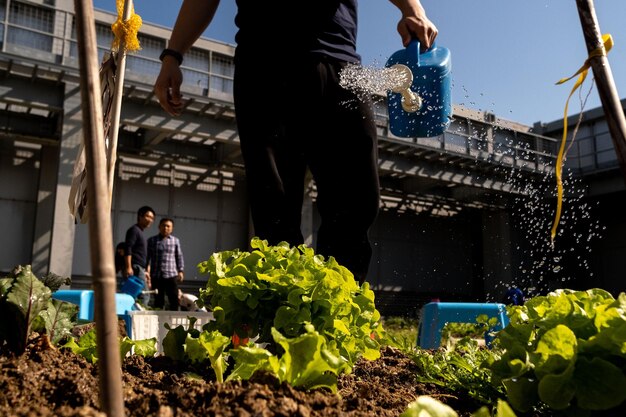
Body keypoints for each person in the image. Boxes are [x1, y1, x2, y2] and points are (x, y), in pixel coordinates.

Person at [154, 0, 438, 284]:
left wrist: (412, 9)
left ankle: (342, 308)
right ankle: (282, 312)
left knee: (356, 199)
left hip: (340, 64)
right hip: (263, 66)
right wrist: (172, 55)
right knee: (273, 204)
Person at [146, 218, 185, 310]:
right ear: (159, 227)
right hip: (156, 275)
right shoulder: (151, 240)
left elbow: (179, 256)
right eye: (163, 225)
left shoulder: (175, 241)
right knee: (158, 300)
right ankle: (159, 320)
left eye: (168, 226)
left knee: (174, 299)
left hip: (171, 275)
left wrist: (181, 271)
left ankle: (174, 321)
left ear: (172, 228)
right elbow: (147, 258)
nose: (165, 228)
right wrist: (146, 272)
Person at [123, 205, 155, 305]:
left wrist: (145, 271)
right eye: (148, 216)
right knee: (144, 295)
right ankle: (139, 317)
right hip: (135, 267)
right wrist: (128, 267)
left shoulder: (140, 232)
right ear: (140, 216)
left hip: (140, 268)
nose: (150, 220)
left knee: (135, 294)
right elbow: (128, 248)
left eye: (152, 218)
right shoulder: (134, 230)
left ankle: (131, 316)